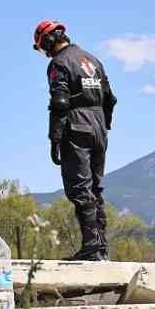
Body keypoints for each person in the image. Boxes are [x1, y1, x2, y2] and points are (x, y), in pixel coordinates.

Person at [34, 20, 116, 261]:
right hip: (99, 126)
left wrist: (55, 138)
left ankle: (91, 245)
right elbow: (110, 99)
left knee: (80, 188)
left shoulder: (58, 63)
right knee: (95, 188)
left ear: (48, 41)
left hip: (76, 125)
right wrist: (104, 126)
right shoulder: (94, 60)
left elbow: (60, 103)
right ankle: (101, 246)